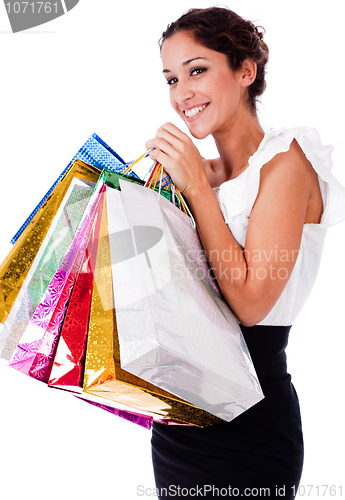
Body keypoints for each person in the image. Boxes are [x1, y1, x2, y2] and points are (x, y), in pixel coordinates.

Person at [145, 6, 345, 500]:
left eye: (197, 70)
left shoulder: (286, 163)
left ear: (245, 72)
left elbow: (252, 303)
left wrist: (195, 187)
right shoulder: (197, 174)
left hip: (251, 430)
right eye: (171, 78)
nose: (181, 93)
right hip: (177, 424)